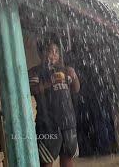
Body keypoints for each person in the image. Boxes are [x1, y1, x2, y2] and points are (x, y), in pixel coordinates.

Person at [29, 39, 80, 167]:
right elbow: (32, 90)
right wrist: (49, 83)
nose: (54, 54)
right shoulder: (35, 72)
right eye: (50, 51)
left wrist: (74, 76)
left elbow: (76, 89)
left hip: (68, 123)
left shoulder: (63, 70)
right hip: (47, 125)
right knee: (47, 162)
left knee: (68, 159)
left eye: (56, 51)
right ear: (41, 54)